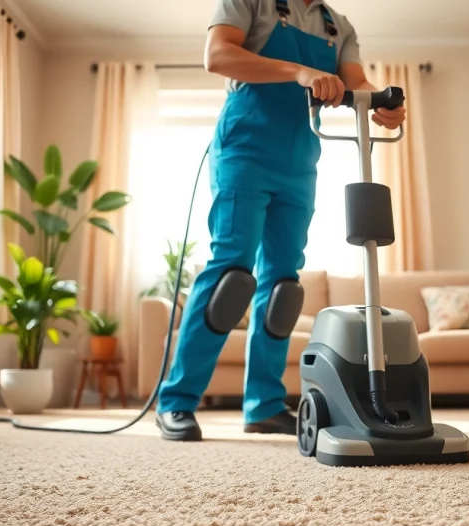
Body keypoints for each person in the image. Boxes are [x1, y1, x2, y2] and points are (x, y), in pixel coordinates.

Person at [154, 0, 407, 441]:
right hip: (245, 148)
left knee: (284, 287)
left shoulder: (337, 25)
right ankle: (176, 402)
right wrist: (298, 72)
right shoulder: (248, 3)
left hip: (300, 159)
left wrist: (380, 103)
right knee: (231, 272)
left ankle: (264, 405)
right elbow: (217, 55)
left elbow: (356, 82)